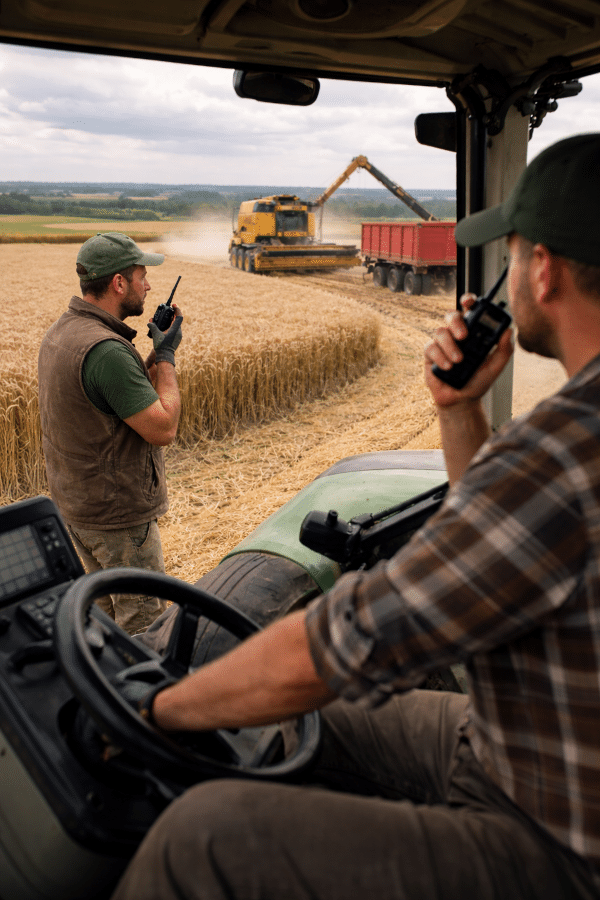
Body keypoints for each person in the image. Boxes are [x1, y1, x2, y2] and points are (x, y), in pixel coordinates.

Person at [111, 134, 600, 900]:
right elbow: (495, 536)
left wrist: (158, 708)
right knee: (321, 722)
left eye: (509, 251)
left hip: (559, 839)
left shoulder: (563, 449)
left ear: (543, 269)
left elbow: (351, 641)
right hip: (542, 747)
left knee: (199, 840)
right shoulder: (562, 450)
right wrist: (460, 405)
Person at [38, 232, 184, 635]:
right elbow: (163, 427)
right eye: (142, 275)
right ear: (119, 283)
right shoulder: (106, 351)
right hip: (118, 520)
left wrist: (154, 349)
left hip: (80, 509)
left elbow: (121, 397)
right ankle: (134, 697)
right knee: (145, 626)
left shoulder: (64, 332)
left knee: (102, 622)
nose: (149, 285)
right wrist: (168, 358)